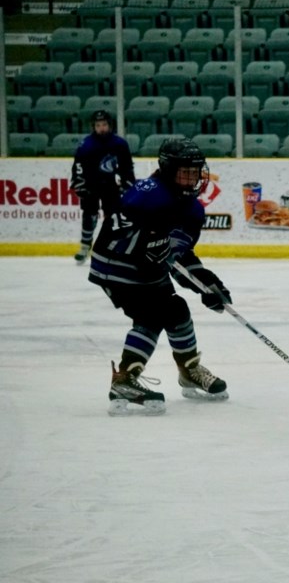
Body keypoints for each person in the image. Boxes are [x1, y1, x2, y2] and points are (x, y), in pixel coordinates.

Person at [88, 139, 231, 416]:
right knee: (152, 316)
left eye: (196, 170)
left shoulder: (191, 208)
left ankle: (188, 370)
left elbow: (177, 253)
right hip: (116, 266)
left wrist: (206, 284)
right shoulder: (147, 194)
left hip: (148, 269)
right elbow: (117, 237)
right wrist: (149, 247)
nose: (193, 177)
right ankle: (124, 381)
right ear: (167, 169)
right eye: (185, 171)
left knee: (175, 311)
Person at [70, 110, 135, 265]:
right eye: (98, 125)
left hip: (111, 186)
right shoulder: (86, 144)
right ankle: (85, 246)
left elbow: (126, 166)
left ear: (109, 125)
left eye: (104, 124)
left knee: (112, 217)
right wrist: (79, 184)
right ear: (94, 127)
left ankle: (109, 247)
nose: (102, 128)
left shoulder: (119, 143)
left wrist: (128, 183)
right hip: (90, 185)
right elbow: (78, 166)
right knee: (89, 215)